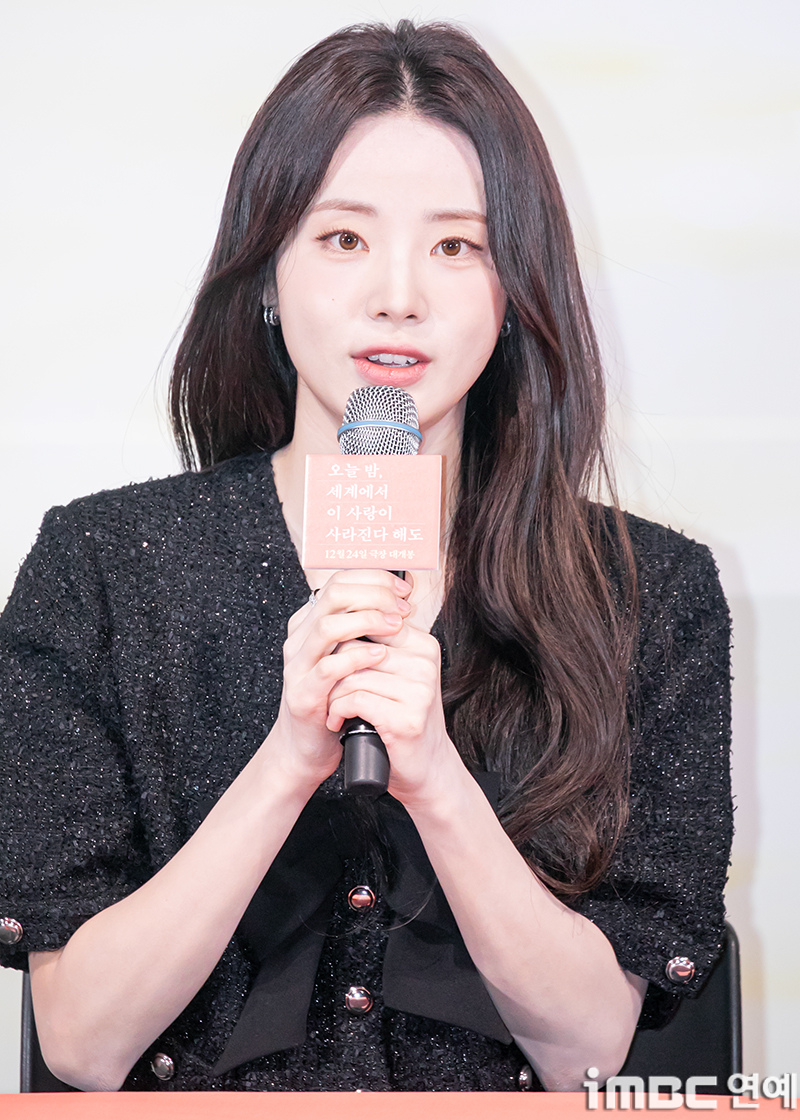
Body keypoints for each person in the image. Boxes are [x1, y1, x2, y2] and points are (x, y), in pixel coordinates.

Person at [0, 20, 732, 1094]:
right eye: (344, 238)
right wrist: (289, 758)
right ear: (267, 270)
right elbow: (81, 1043)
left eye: (457, 246)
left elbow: (587, 1051)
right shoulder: (103, 571)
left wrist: (435, 779)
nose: (399, 294)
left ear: (514, 290)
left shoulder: (645, 594)